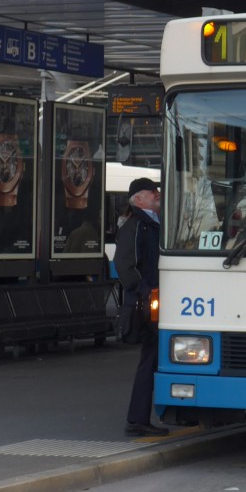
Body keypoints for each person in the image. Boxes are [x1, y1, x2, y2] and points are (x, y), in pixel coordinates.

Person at [114, 177, 168, 437]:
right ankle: (137, 419)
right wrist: (146, 291)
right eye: (151, 191)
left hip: (153, 302)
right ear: (138, 199)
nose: (157, 193)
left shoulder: (152, 224)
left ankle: (140, 417)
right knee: (152, 358)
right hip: (147, 305)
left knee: (155, 357)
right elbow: (124, 265)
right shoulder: (136, 226)